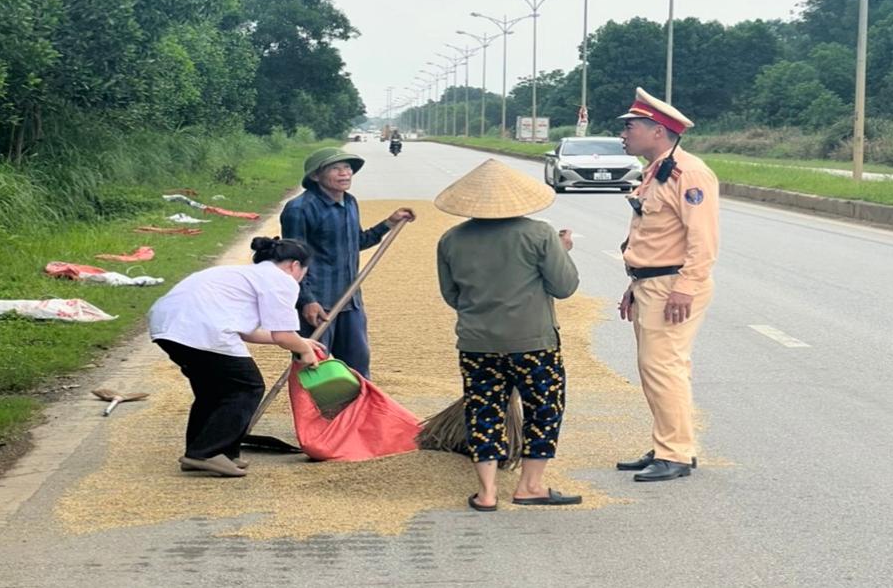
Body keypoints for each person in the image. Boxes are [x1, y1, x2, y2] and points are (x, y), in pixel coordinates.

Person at [435, 159, 581, 512]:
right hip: (533, 344)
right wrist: (561, 251)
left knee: (482, 412)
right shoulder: (541, 234)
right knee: (543, 410)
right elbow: (564, 286)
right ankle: (530, 485)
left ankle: (486, 492)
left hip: (477, 345)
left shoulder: (451, 240)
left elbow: (451, 295)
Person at [148, 237, 325, 477]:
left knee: (213, 391)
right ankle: (206, 453)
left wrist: (301, 342)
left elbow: (248, 331)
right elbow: (283, 335)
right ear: (295, 265)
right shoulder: (281, 280)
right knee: (247, 386)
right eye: (304, 271)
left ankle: (206, 451)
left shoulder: (248, 275)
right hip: (199, 328)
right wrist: (303, 351)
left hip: (168, 326)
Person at [614, 87, 720, 482]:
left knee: (663, 368)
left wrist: (685, 287)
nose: (624, 134)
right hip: (651, 284)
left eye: (631, 127)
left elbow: (703, 240)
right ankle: (668, 444)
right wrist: (633, 283)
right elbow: (650, 236)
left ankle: (675, 452)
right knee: (658, 369)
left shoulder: (688, 173)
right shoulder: (656, 171)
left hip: (672, 284)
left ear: (657, 131)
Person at [280, 147, 415, 379]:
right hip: (318, 304)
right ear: (315, 176)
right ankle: (314, 415)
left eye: (348, 168)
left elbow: (357, 241)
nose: (345, 173)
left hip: (350, 301)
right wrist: (307, 301)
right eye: (335, 168)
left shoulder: (350, 203)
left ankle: (356, 415)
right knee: (314, 369)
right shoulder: (300, 209)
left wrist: (389, 223)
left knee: (357, 369)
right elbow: (290, 262)